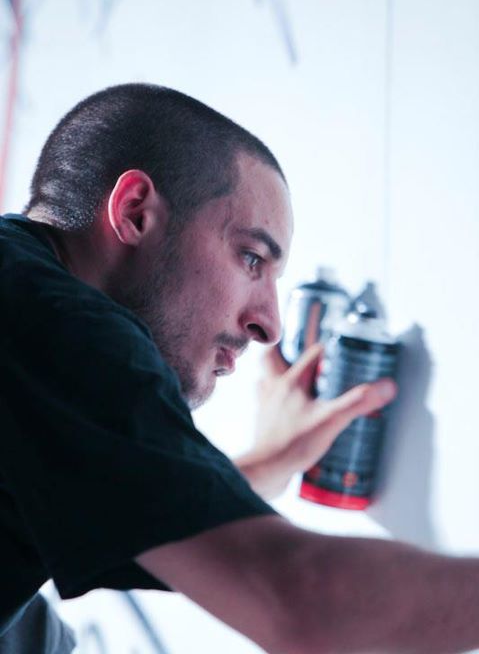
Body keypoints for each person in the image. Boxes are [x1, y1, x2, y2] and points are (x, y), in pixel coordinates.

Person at [0, 83, 475, 654]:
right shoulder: (58, 324)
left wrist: (272, 460)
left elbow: (146, 511)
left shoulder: (26, 311)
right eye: (252, 258)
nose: (269, 325)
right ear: (134, 212)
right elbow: (301, 599)